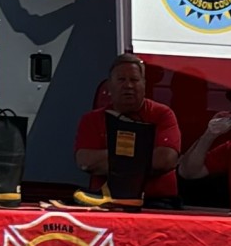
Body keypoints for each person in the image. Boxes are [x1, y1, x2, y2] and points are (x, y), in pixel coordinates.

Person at [76, 53, 182, 203]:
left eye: (134, 80)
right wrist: (142, 158)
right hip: (104, 201)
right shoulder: (91, 120)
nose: (128, 85)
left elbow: (165, 160)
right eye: (121, 80)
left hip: (158, 202)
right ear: (110, 86)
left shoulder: (163, 114)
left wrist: (113, 162)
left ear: (144, 84)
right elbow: (85, 161)